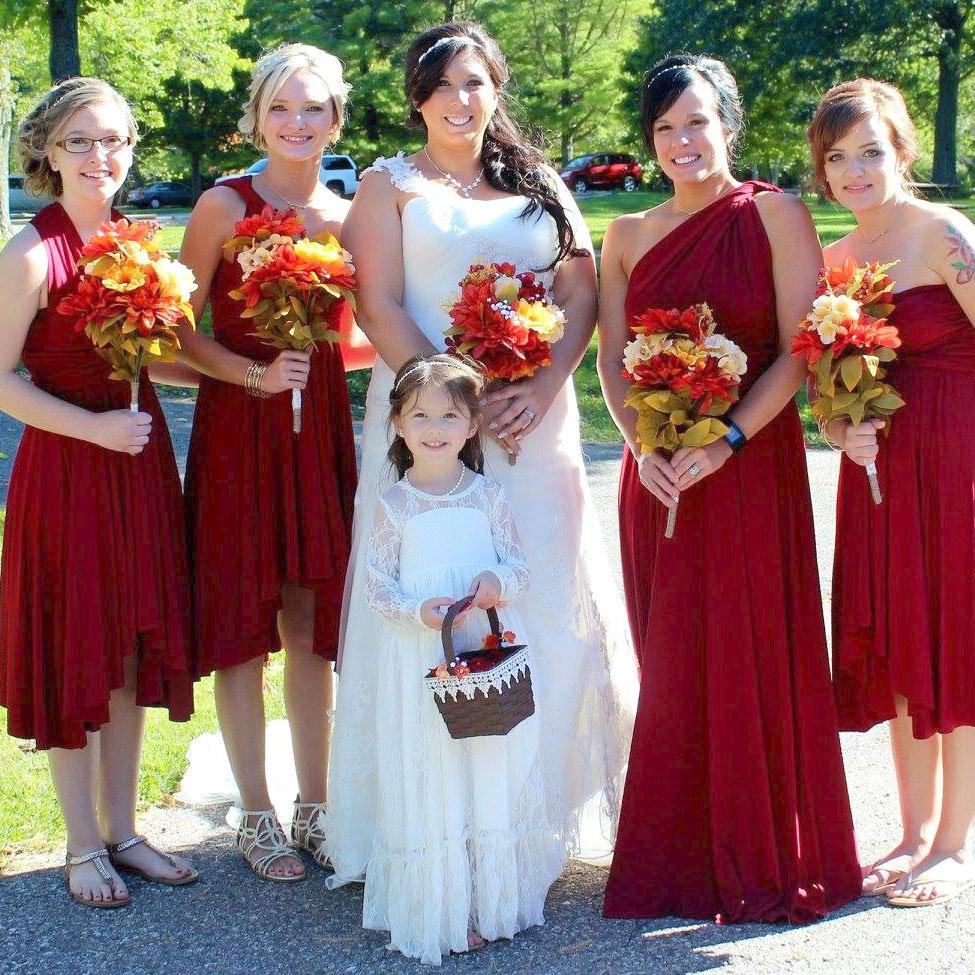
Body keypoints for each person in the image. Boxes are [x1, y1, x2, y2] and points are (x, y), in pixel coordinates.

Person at [326, 20, 635, 891]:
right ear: (418, 96)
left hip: (534, 424)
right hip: (429, 426)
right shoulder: (388, 188)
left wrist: (541, 388)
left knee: (537, 589)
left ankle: (534, 818)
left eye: (476, 82)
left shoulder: (539, 183)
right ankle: (435, 822)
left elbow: (580, 292)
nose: (461, 100)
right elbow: (379, 304)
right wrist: (448, 408)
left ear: (497, 88)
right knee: (439, 599)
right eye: (444, 84)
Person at [598, 54, 861, 922]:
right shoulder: (627, 234)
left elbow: (796, 347)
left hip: (748, 471)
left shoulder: (777, 214)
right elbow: (608, 359)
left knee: (752, 651)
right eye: (666, 126)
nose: (683, 140)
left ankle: (760, 851)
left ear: (728, 126)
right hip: (662, 477)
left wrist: (727, 438)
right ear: (650, 139)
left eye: (698, 121)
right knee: (671, 661)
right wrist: (647, 444)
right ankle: (675, 858)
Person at [0, 77, 197, 907]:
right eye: (78, 140)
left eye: (112, 139)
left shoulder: (138, 241)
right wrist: (94, 432)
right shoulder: (30, 252)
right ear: (47, 150)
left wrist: (257, 368)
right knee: (75, 647)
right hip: (70, 469)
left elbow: (163, 358)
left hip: (137, 462)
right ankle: (82, 842)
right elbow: (0, 379)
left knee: (128, 644)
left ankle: (123, 829)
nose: (98, 155)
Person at [177, 43, 357, 880]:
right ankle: (253, 814)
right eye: (281, 107)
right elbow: (174, 328)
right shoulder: (223, 203)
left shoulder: (344, 214)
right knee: (243, 625)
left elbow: (354, 335)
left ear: (336, 119)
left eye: (313, 108)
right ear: (256, 116)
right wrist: (249, 371)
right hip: (237, 429)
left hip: (315, 428)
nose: (296, 123)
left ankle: (314, 805)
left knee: (309, 623)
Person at [809, 78, 975, 907]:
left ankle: (952, 843)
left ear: (901, 150)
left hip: (955, 461)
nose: (853, 170)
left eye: (869, 151)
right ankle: (909, 832)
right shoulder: (832, 262)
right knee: (904, 644)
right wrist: (842, 433)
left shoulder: (945, 235)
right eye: (836, 157)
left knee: (955, 639)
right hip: (876, 475)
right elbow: (821, 395)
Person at [355, 353, 562, 964]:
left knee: (484, 763)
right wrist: (420, 612)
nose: (434, 427)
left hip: (482, 652)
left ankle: (487, 900)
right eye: (419, 415)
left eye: (449, 415)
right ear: (396, 423)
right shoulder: (395, 505)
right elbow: (377, 587)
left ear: (473, 425)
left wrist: (498, 585)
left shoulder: (488, 496)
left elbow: (520, 567)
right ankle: (438, 905)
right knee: (433, 769)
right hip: (422, 655)